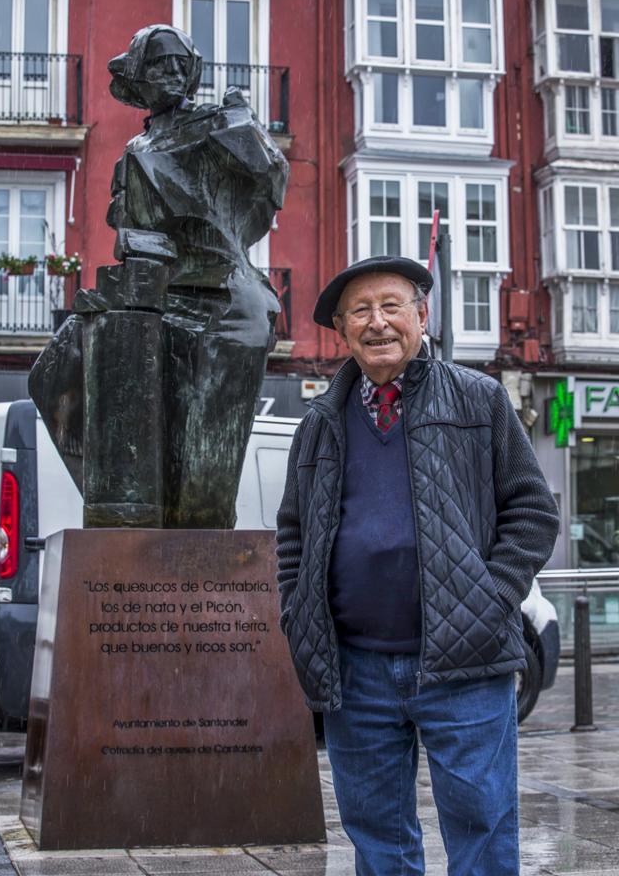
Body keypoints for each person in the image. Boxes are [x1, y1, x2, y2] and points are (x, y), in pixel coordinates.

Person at [276, 255, 559, 876]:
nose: (377, 323)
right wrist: (298, 613)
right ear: (342, 331)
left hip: (467, 664)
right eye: (360, 311)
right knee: (377, 840)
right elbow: (293, 534)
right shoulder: (319, 423)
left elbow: (533, 512)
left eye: (391, 306)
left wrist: (491, 596)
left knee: (482, 829)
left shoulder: (479, 399)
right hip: (355, 669)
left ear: (421, 316)